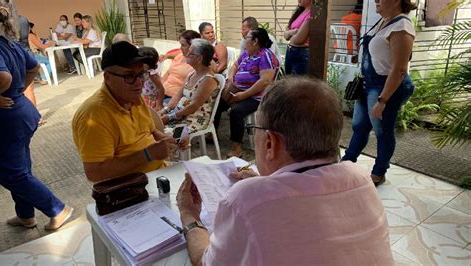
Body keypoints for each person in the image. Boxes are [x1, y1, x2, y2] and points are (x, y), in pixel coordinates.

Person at [177, 77, 394, 265]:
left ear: (270, 143)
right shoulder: (361, 179)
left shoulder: (246, 200)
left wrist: (189, 213)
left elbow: (208, 262)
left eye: (256, 130)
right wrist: (269, 181)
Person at [0, 1, 73, 231]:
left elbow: (3, 78)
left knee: (9, 172)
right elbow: (34, 68)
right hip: (21, 113)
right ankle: (25, 215)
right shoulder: (8, 44)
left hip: (8, 118)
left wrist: (6, 91)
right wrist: (18, 91)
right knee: (20, 167)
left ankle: (57, 209)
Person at [72, 41, 178, 183]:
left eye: (141, 74)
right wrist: (148, 154)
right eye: (129, 76)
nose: (139, 83)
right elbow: (95, 173)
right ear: (107, 77)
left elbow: (151, 132)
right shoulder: (94, 115)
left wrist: (169, 141)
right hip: (129, 189)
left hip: (158, 175)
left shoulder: (132, 97)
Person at [342, 0, 417, 186]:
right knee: (359, 127)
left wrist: (382, 100)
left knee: (383, 132)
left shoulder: (402, 26)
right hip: (368, 85)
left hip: (385, 88)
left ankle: (379, 172)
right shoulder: (385, 21)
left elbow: (399, 69)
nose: (375, 1)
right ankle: (346, 164)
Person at [214, 28, 279, 158]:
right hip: (237, 90)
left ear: (255, 41)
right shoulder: (246, 54)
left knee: (236, 111)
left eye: (247, 37)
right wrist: (231, 79)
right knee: (215, 103)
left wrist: (244, 95)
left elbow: (265, 81)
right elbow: (234, 66)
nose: (244, 39)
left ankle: (237, 148)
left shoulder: (265, 55)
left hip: (256, 96)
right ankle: (211, 133)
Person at [158, 39, 219, 135]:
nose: (186, 55)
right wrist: (165, 110)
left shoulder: (208, 80)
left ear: (199, 58)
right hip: (179, 115)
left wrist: (170, 117)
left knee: (165, 136)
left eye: (190, 54)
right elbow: (178, 96)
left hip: (194, 120)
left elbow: (194, 106)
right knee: (152, 129)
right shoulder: (191, 74)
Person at [161, 30, 201, 99]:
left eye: (183, 45)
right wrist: (159, 89)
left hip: (174, 97)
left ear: (193, 46)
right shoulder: (180, 55)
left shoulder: (196, 64)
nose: (180, 48)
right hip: (163, 93)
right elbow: (168, 73)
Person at [283, 0, 312, 75]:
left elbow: (298, 39)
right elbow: (285, 35)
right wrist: (292, 32)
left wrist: (290, 35)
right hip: (290, 51)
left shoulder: (311, 14)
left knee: (296, 84)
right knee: (288, 82)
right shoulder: (299, 12)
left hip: (301, 53)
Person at [139, 47, 165, 111]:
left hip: (153, 101)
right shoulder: (144, 72)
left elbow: (161, 88)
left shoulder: (151, 74)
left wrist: (160, 104)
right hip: (145, 99)